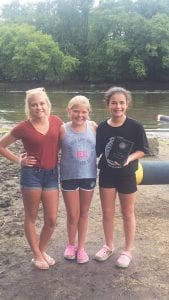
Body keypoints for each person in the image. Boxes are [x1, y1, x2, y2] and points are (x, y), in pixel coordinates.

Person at [0, 87, 63, 270]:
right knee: (32, 216)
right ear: (29, 107)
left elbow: (65, 141)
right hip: (31, 176)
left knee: (51, 219)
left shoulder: (57, 121)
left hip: (52, 175)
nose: (39, 107)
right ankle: (36, 255)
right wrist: (20, 160)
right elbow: (1, 146)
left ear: (47, 104)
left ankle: (41, 250)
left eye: (42, 103)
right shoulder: (23, 127)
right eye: (34, 105)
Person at [95, 86, 149, 268]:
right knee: (107, 213)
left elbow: (143, 150)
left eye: (121, 103)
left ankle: (127, 251)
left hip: (127, 175)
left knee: (127, 213)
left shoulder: (135, 126)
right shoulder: (102, 127)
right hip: (107, 175)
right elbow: (96, 151)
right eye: (114, 103)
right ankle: (108, 246)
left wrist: (129, 158)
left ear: (127, 104)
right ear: (107, 104)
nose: (118, 106)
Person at [59, 95, 97, 264]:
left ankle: (81, 248)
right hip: (68, 176)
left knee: (84, 212)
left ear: (88, 112)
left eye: (84, 112)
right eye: (76, 111)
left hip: (88, 175)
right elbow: (51, 149)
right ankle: (70, 244)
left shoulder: (94, 127)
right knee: (72, 214)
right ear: (69, 111)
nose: (80, 115)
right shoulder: (63, 129)